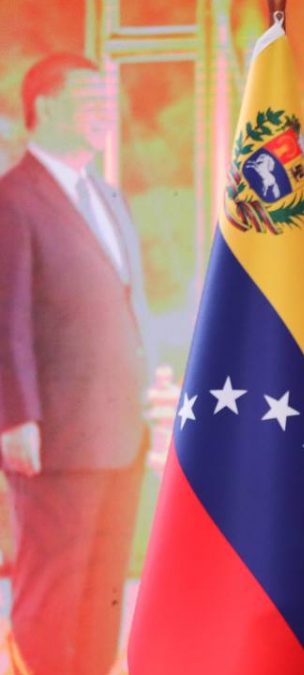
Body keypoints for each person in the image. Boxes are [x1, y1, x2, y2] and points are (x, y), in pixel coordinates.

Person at [0, 53, 152, 674]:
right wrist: (16, 419)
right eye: (90, 100)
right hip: (55, 439)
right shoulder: (13, 200)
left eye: (106, 100)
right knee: (53, 589)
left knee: (102, 591)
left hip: (120, 435)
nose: (104, 112)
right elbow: (6, 319)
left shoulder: (108, 196)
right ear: (45, 106)